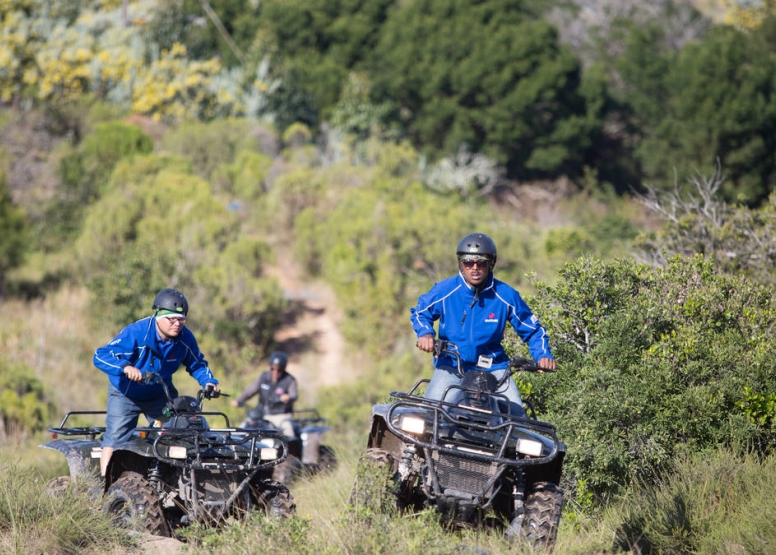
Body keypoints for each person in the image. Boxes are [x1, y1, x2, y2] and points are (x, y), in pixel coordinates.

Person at [410, 232, 555, 416]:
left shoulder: (506, 295)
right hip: (451, 364)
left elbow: (534, 331)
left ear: (491, 264)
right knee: (429, 416)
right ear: (461, 264)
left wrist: (543, 355)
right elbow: (420, 312)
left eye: (482, 263)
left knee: (518, 420)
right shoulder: (445, 290)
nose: (475, 268)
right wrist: (425, 333)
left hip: (494, 367)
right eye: (468, 262)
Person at [93, 288, 220, 477]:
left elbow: (197, 363)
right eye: (172, 319)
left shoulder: (185, 338)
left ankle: (177, 483)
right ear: (158, 315)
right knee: (115, 439)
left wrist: (209, 381)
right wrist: (125, 368)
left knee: (183, 432)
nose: (177, 324)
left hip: (160, 394)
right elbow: (100, 355)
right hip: (126, 394)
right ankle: (105, 491)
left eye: (182, 320)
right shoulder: (137, 333)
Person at [231, 351, 298, 437]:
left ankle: (289, 450)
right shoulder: (264, 377)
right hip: (261, 413)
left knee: (288, 433)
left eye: (279, 370)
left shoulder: (289, 380)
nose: (275, 372)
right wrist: (239, 400)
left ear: (284, 368)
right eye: (272, 369)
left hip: (280, 415)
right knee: (240, 430)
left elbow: (294, 395)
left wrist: (288, 397)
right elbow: (250, 390)